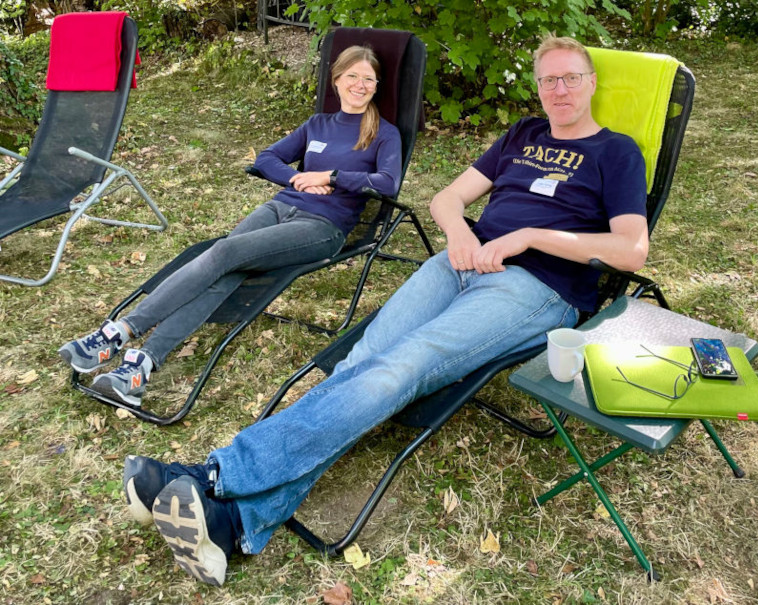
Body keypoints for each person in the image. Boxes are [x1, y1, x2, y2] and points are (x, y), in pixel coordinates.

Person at [121, 35, 649, 586]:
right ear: (538, 87)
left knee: (401, 365)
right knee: (361, 362)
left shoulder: (616, 152)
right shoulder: (523, 134)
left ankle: (215, 475)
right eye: (549, 80)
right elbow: (446, 199)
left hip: (535, 285)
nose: (560, 90)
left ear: (591, 83)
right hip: (460, 262)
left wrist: (528, 237)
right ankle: (234, 522)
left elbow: (631, 249)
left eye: (571, 78)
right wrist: (458, 232)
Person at [57, 46, 402, 407]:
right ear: (337, 80)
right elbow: (266, 158)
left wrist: (330, 176)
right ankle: (140, 366)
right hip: (278, 208)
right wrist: (296, 178)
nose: (360, 85)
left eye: (369, 79)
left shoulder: (384, 133)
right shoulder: (318, 124)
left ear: (377, 85)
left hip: (323, 226)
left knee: (223, 252)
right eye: (352, 76)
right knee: (227, 270)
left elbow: (388, 182)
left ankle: (120, 332)